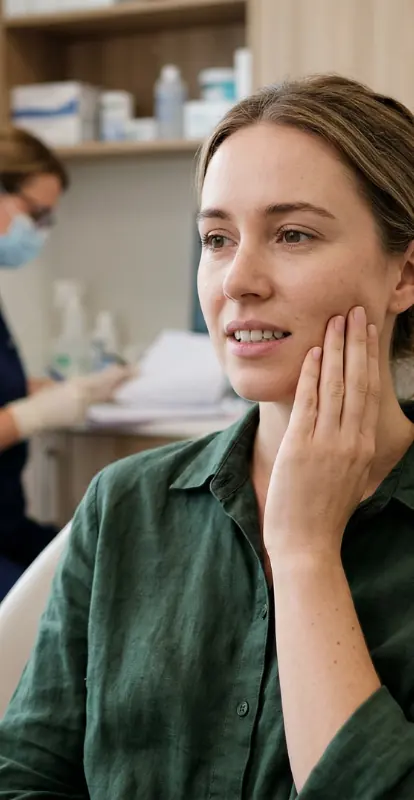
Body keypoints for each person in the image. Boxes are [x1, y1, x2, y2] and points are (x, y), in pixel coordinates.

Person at [1, 73, 414, 798]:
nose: (238, 280)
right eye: (217, 238)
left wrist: (305, 552)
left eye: (293, 234)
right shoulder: (124, 505)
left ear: (405, 271)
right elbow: (27, 776)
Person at [0, 127, 131, 601]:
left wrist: (76, 388)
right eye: (35, 215)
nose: (37, 231)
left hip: (8, 524)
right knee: (69, 608)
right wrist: (35, 415)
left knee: (103, 556)